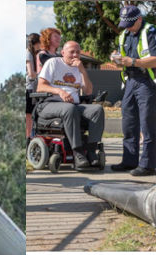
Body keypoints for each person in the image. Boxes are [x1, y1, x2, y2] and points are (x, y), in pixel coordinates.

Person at [111, 5, 156, 177]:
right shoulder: (124, 35)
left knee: (147, 124)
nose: (127, 27)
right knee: (128, 122)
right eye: (124, 23)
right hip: (130, 81)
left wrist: (133, 62)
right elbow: (122, 61)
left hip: (146, 82)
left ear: (139, 19)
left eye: (130, 23)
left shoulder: (151, 32)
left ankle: (148, 165)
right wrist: (116, 59)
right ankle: (129, 161)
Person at [36, 40, 105, 170]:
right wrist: (59, 91)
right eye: (71, 52)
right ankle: (78, 152)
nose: (75, 55)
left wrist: (83, 70)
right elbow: (40, 86)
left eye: (78, 52)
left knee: (97, 110)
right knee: (69, 108)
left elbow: (88, 91)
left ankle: (91, 151)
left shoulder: (79, 68)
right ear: (63, 53)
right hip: (50, 104)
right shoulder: (53, 63)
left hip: (73, 106)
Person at [26, 33, 41, 141]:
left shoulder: (34, 54)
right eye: (40, 43)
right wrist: (42, 75)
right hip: (28, 88)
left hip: (33, 87)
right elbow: (31, 74)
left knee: (32, 115)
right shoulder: (28, 54)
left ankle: (30, 137)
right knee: (29, 115)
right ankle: (28, 138)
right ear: (35, 43)